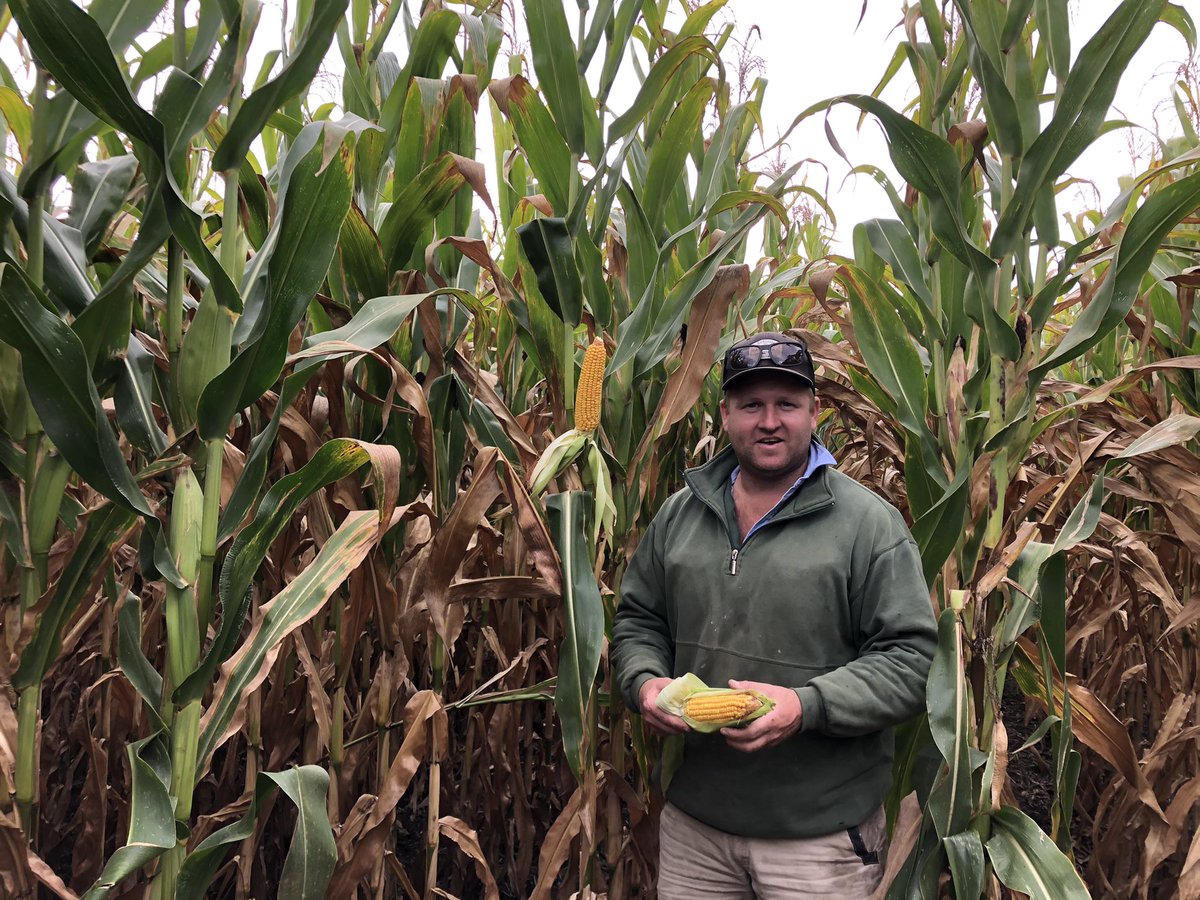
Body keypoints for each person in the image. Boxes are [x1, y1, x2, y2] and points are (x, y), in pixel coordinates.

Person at [611, 331, 938, 898]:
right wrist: (643, 682)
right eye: (751, 405)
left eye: (786, 404)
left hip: (819, 840)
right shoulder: (680, 515)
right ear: (725, 415)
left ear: (814, 411)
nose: (769, 421)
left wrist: (805, 706)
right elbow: (640, 621)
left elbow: (910, 662)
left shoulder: (868, 525)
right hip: (695, 828)